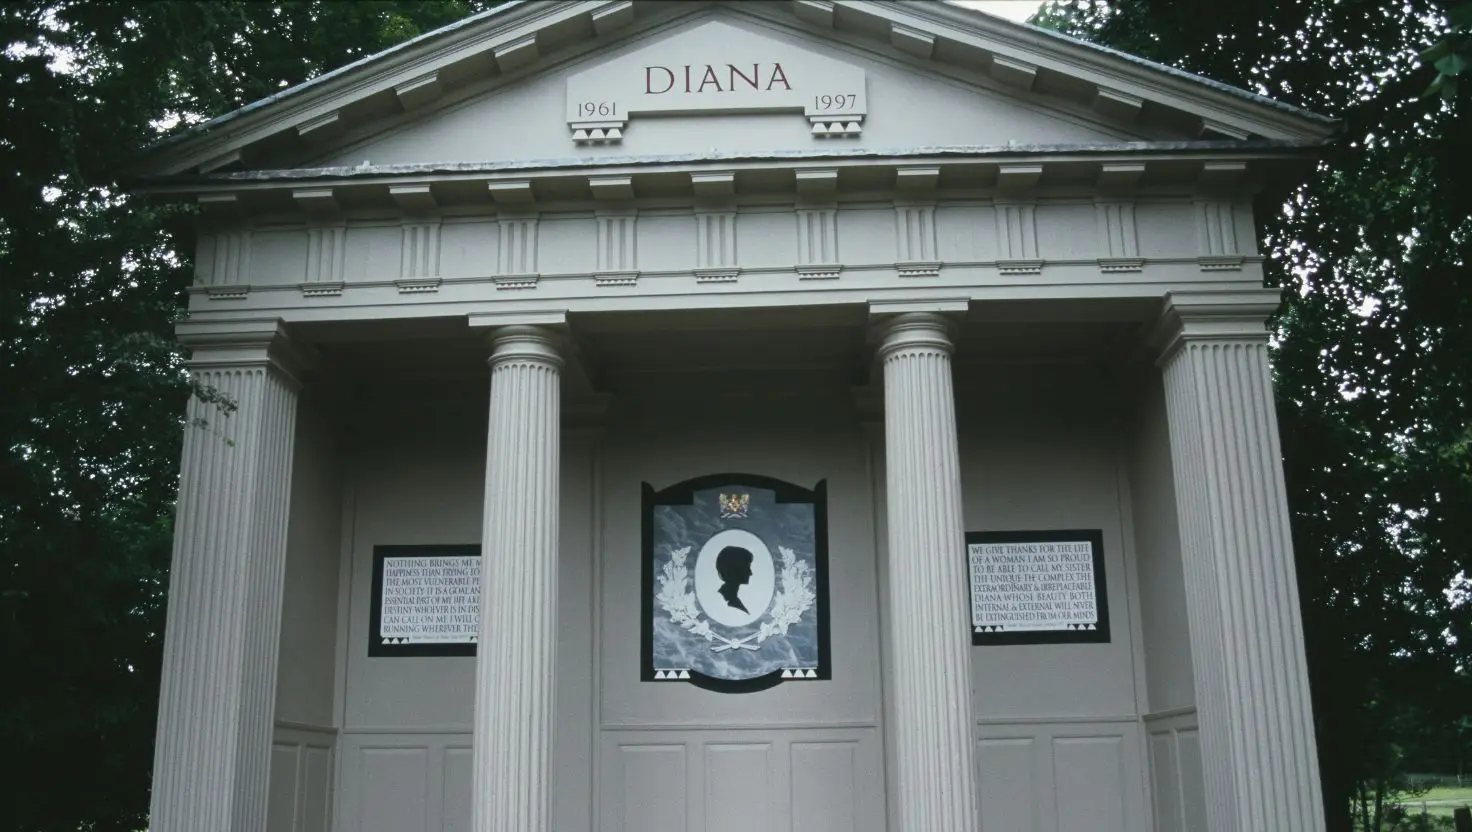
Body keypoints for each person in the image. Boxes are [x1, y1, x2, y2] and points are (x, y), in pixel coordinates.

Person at [715, 545, 753, 613]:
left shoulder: (730, 598)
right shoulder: (724, 601)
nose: (750, 573)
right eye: (747, 567)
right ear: (735, 568)